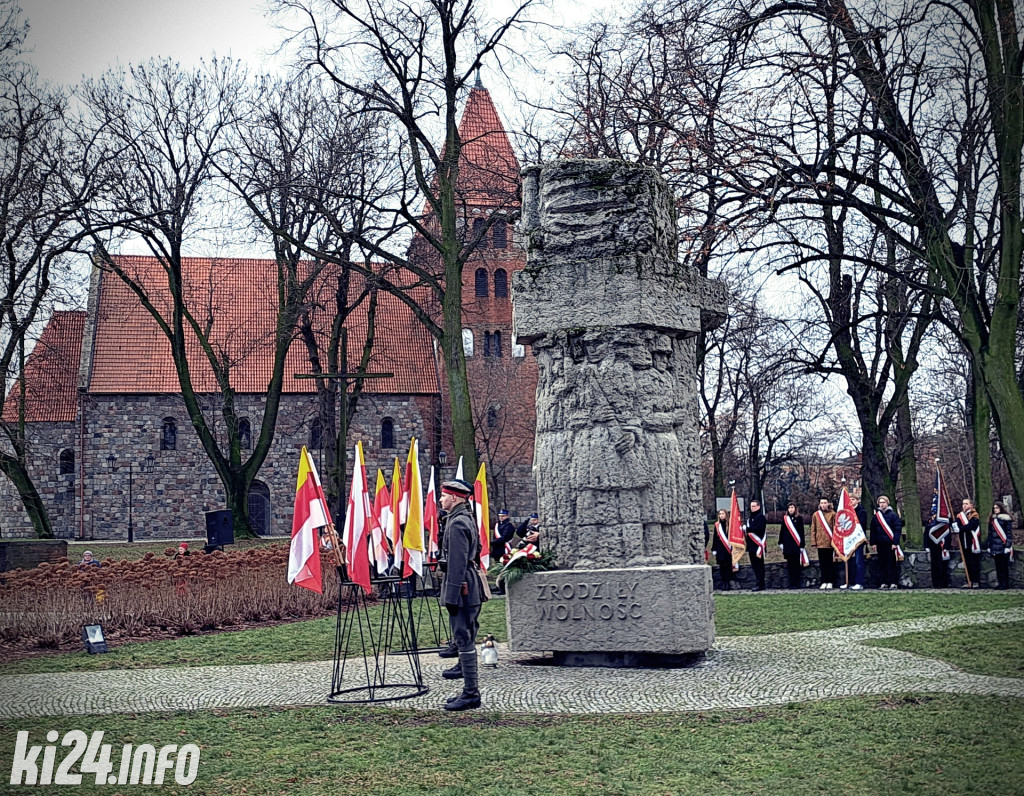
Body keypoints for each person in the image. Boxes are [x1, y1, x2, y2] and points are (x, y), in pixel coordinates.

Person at [438, 478, 483, 711]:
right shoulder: (466, 518)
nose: (441, 499)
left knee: (463, 638)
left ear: (455, 498)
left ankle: (471, 693)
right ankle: (469, 690)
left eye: (444, 496)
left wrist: (451, 596)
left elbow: (456, 562)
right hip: (470, 583)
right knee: (466, 635)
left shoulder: (457, 523)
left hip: (462, 586)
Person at [871, 495, 903, 589]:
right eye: (880, 503)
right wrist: (873, 543)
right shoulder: (876, 516)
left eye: (883, 502)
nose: (882, 504)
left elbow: (897, 530)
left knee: (891, 563)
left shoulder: (893, 515)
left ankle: (893, 582)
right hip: (880, 543)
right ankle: (883, 582)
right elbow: (873, 530)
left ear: (887, 503)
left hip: (890, 543)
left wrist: (895, 543)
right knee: (881, 564)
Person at [954, 498, 982, 589]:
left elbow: (971, 526)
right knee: (967, 563)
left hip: (972, 542)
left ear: (971, 505)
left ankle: (975, 581)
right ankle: (968, 581)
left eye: (966, 504)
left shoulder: (974, 515)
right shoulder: (960, 516)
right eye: (963, 504)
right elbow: (957, 524)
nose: (964, 505)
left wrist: (961, 529)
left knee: (974, 563)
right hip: (964, 542)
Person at [842, 495, 868, 590]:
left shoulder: (862, 511)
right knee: (848, 561)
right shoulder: (847, 511)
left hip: (858, 539)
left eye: (853, 499)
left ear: (857, 501)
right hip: (848, 539)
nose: (851, 501)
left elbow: (862, 525)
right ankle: (849, 582)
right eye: (850, 500)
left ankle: (859, 582)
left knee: (858, 561)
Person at [810, 498, 837, 589]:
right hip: (820, 543)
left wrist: (835, 541)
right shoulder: (816, 515)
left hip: (830, 543)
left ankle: (830, 581)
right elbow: (813, 529)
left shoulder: (833, 514)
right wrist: (814, 542)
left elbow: (835, 528)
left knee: (830, 563)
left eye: (825, 503)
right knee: (822, 563)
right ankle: (824, 580)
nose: (823, 505)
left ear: (828, 503)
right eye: (822, 503)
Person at [778, 502, 806, 589]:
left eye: (792, 507)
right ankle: (791, 583)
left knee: (796, 565)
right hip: (788, 545)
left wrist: (802, 545)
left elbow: (801, 532)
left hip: (796, 545)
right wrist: (780, 542)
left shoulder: (799, 518)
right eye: (789, 507)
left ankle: (796, 583)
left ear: (795, 508)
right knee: (790, 565)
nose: (791, 509)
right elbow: (782, 531)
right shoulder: (785, 519)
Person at [987, 501, 1014, 590]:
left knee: (1004, 567)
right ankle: (1000, 583)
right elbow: (990, 534)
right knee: (998, 566)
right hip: (995, 547)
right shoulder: (992, 520)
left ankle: (1005, 584)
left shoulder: (1006, 520)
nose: (995, 510)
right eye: (994, 508)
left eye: (997, 508)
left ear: (1001, 508)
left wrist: (1007, 546)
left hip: (1003, 546)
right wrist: (989, 546)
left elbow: (1009, 534)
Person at [924, 511, 952, 588]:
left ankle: (944, 583)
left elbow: (948, 536)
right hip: (934, 547)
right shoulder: (930, 525)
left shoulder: (946, 525)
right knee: (935, 565)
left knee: (944, 565)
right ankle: (936, 583)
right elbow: (926, 535)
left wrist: (947, 546)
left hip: (943, 547)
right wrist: (926, 546)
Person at [746, 499, 767, 591]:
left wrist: (748, 528)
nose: (752, 508)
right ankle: (758, 582)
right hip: (751, 546)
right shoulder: (750, 518)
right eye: (751, 506)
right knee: (754, 565)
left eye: (754, 506)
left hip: (758, 545)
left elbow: (759, 529)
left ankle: (761, 584)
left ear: (758, 506)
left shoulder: (761, 517)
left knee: (759, 566)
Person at [711, 508, 735, 590]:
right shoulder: (717, 525)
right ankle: (723, 581)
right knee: (722, 566)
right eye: (720, 514)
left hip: (728, 548)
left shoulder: (730, 524)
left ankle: (728, 582)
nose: (721, 515)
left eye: (723, 514)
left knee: (728, 566)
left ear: (726, 515)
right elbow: (715, 537)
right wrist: (714, 549)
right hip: (720, 548)